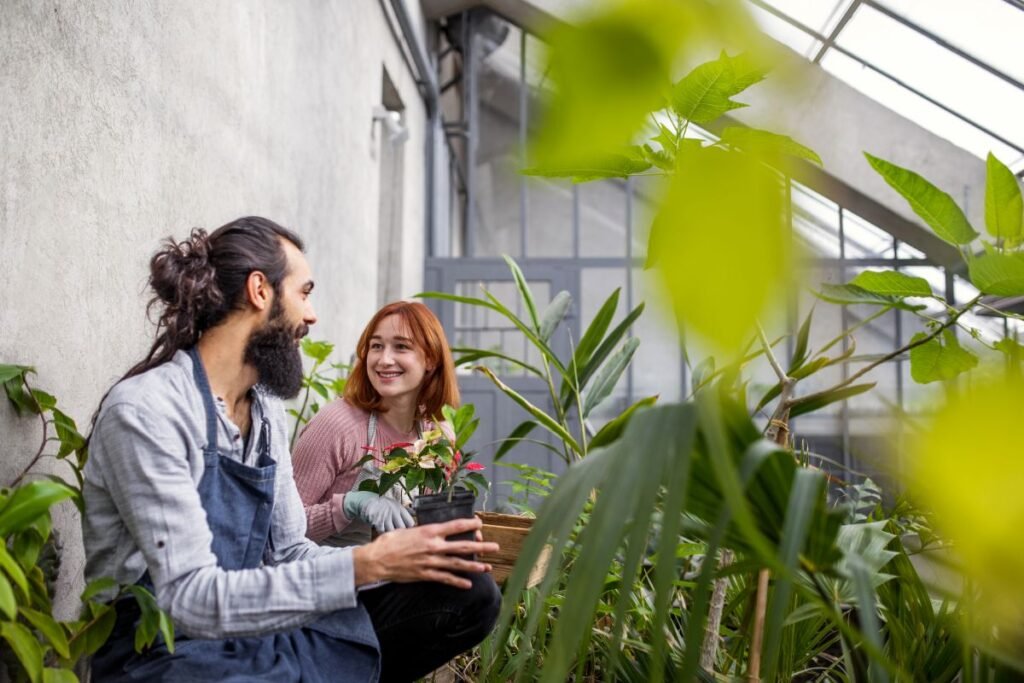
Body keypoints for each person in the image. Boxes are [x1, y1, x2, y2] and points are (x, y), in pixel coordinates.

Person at [82, 217, 501, 682]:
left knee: (467, 593)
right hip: (158, 647)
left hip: (252, 628)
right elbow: (191, 599)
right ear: (260, 291)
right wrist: (365, 563)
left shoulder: (264, 410)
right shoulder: (148, 411)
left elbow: (287, 552)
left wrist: (404, 560)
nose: (312, 315)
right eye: (304, 293)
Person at [292, 301, 457, 547]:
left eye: (401, 347)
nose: (384, 360)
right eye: (376, 346)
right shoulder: (337, 426)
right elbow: (280, 529)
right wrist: (349, 505)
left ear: (431, 359)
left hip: (402, 565)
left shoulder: (434, 433)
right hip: (332, 568)